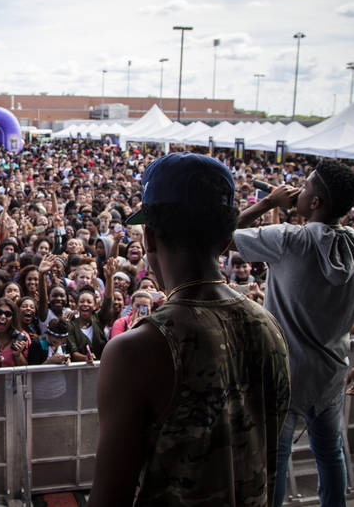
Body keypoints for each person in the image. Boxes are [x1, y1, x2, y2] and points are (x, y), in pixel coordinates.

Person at [89, 153, 290, 507]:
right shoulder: (267, 324)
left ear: (149, 238)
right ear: (229, 238)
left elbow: (110, 498)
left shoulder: (137, 349)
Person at [233, 159, 354, 507]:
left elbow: (218, 240)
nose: (299, 189)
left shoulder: (288, 240)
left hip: (283, 373)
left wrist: (268, 202)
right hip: (332, 371)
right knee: (330, 452)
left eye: (307, 185)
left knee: (276, 458)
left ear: (315, 202)